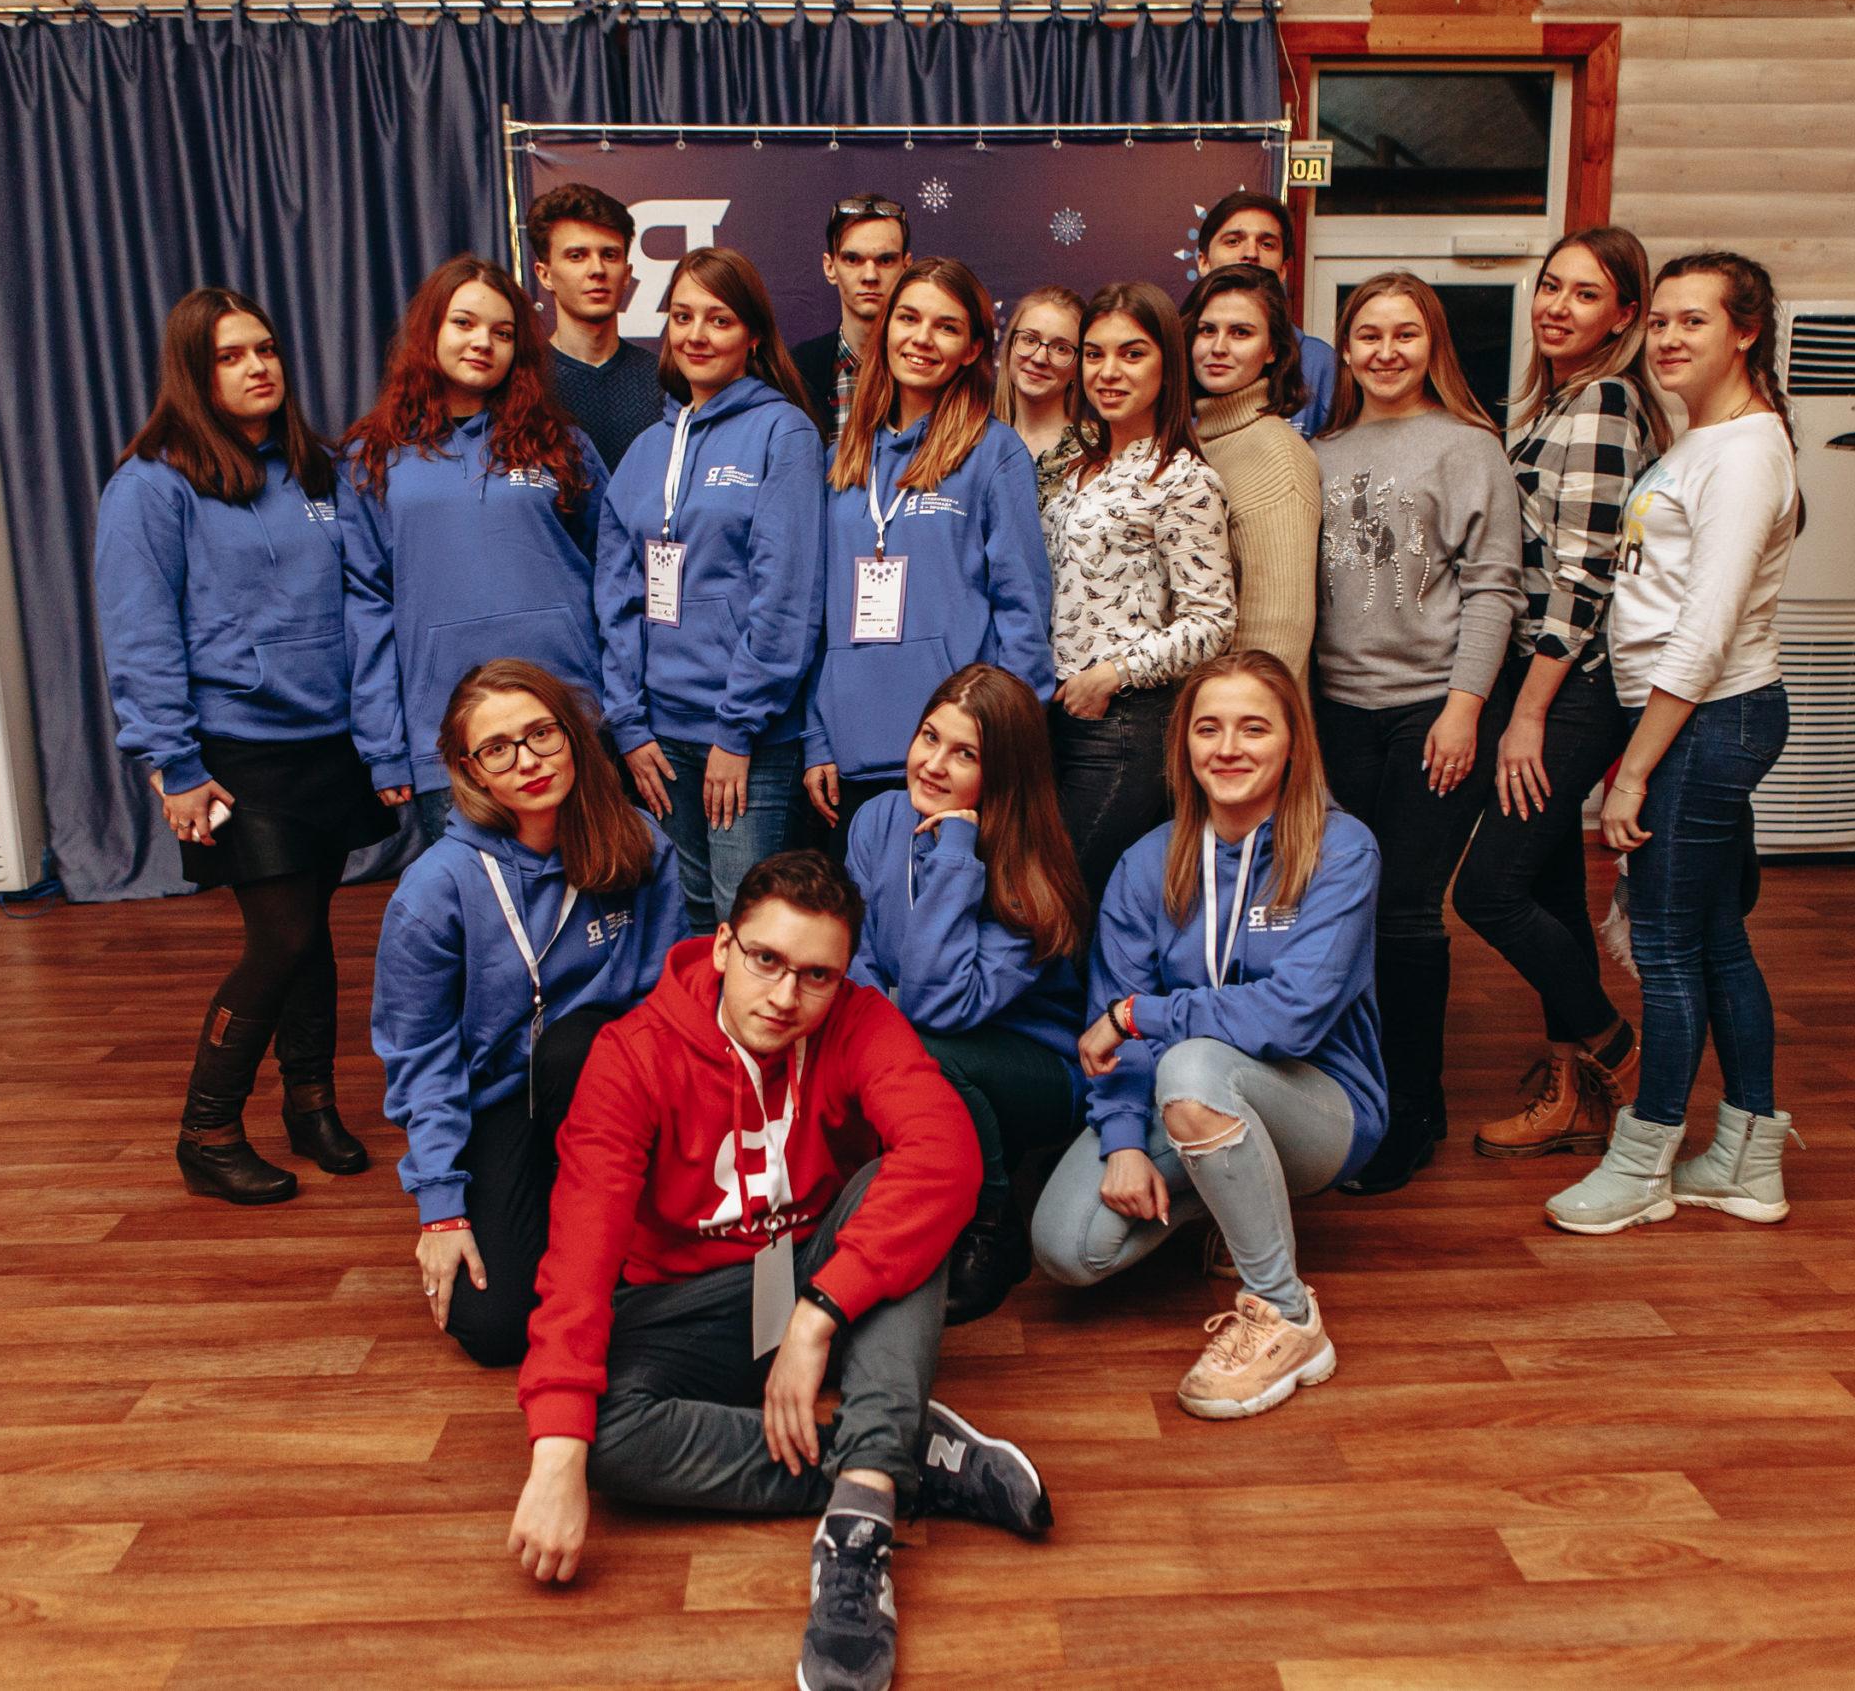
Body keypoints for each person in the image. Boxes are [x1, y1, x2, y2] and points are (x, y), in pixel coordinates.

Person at [507, 850, 1052, 1691]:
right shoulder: (632, 1055)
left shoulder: (859, 1020)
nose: (786, 995)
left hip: (802, 1268)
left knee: (901, 1188)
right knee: (594, 1438)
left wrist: (816, 1312)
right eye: (765, 959)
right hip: (687, 1300)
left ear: (842, 976)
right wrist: (554, 1460)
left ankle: (863, 1509)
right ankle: (906, 1454)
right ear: (724, 946)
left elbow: (946, 1153)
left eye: (816, 975)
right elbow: (577, 1259)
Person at [94, 286, 413, 1204]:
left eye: (265, 349)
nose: (256, 367)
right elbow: (140, 631)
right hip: (236, 750)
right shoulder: (152, 484)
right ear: (193, 373)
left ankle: (310, 1105)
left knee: (312, 933)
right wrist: (174, 764)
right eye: (230, 356)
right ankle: (206, 1128)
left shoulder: (319, 471)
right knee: (281, 937)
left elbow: (365, 601)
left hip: (327, 742)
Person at [1031, 650, 1386, 1419]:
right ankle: (1234, 1202)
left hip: (1321, 1105)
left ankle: (1287, 1315)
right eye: (1208, 728)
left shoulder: (1341, 849)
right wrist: (1123, 1138)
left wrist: (1144, 1016)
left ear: (1292, 741)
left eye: (1254, 728)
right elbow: (1111, 1014)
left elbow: (1289, 1014)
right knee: (1068, 1246)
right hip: (1182, 1098)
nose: (1228, 748)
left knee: (1192, 1065)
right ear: (1183, 744)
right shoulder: (1145, 862)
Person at [1546, 251, 1799, 1237]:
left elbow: (1704, 629)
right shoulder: (1707, 440)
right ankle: (1747, 1157)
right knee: (1712, 937)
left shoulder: (1744, 453)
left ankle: (1642, 1163)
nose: (1668, 338)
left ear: (1745, 331)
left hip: (1708, 718)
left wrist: (1633, 772)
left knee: (1662, 946)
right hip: (1696, 717)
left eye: (1695, 321)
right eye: (1659, 321)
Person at [373, 660, 686, 1364]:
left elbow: (667, 998)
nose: (527, 760)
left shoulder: (637, 843)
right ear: (471, 771)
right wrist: (441, 1207)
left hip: (614, 1092)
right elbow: (421, 1060)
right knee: (493, 1328)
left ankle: (627, 1230)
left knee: (580, 1043)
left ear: (571, 735)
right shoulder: (433, 890)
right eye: (497, 748)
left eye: (542, 733)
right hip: (500, 1101)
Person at [1308, 271, 1522, 1196]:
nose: (1386, 351)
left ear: (1433, 343)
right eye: (1369, 335)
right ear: (1345, 349)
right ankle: (1356, 1094)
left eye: (1405, 334)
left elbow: (1495, 586)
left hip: (1431, 710)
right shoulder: (1319, 452)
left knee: (1404, 907)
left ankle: (1412, 1111)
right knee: (1347, 907)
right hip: (1337, 712)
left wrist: (1464, 706)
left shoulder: (1470, 446)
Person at [1458, 227, 1668, 1161]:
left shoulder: (1604, 404)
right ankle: (1572, 1088)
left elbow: (1585, 578)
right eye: (1551, 286)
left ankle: (1622, 1057)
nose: (1557, 306)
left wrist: (1528, 714)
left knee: (1489, 889)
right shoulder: (1560, 401)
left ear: (1624, 316)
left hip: (1572, 685)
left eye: (1586, 294)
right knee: (1548, 884)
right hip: (1549, 678)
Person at [844, 666, 1090, 1325]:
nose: (933, 764)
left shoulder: (1030, 867)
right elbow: (852, 953)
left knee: (932, 1050)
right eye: (930, 737)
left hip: (1039, 1071)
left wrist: (956, 847)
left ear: (1003, 771)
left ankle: (993, 1225)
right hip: (914, 1039)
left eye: (965, 754)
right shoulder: (877, 819)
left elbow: (942, 1003)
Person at [344, 253, 609, 846]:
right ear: (430, 331)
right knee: (476, 898)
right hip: (448, 733)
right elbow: (365, 607)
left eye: (503, 332)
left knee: (588, 888)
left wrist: (618, 706)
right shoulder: (372, 458)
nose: (482, 342)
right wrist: (384, 745)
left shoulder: (562, 446)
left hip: (565, 723)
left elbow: (614, 580)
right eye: (463, 323)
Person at [596, 247, 824, 934]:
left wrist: (738, 727)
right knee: (689, 920)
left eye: (719, 319)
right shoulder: (645, 450)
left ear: (753, 335)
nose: (696, 335)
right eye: (682, 316)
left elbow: (786, 595)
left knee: (747, 921)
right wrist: (628, 724)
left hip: (747, 737)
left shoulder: (784, 431)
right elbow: (617, 598)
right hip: (659, 737)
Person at [804, 258, 1055, 858]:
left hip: (957, 761)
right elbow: (813, 617)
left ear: (973, 349)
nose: (921, 339)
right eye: (908, 319)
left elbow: (1023, 614)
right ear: (885, 328)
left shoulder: (994, 453)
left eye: (946, 327)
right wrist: (816, 737)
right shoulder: (839, 459)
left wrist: (1000, 749)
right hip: (847, 760)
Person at [1047, 281, 1236, 906]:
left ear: (1167, 364)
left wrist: (1112, 675)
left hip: (1125, 724)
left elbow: (1212, 621)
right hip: (1058, 717)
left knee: (1067, 899)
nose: (1108, 372)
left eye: (1131, 354)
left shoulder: (1184, 477)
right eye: (1093, 354)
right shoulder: (1077, 468)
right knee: (1056, 897)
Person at [1181, 262, 1322, 690]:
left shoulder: (1275, 452)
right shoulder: (1200, 441)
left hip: (1243, 715)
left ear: (1273, 349)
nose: (1218, 347)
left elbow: (1279, 633)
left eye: (1241, 333)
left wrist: (1238, 718)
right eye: (1207, 330)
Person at [528, 182, 670, 469]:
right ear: (545, 275)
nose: (597, 270)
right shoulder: (524, 380)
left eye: (609, 255)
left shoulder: (665, 380)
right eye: (576, 256)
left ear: (626, 274)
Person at [1194, 191, 1337, 438]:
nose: (1251, 253)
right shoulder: (1170, 355)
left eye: (1267, 244)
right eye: (1233, 241)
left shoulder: (1320, 363)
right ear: (1203, 262)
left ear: (1283, 270)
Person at [791, 194, 912, 445]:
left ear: (906, 267)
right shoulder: (797, 371)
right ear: (830, 267)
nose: (870, 276)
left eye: (885, 260)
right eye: (853, 260)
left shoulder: (927, 366)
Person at [994, 284, 1087, 508]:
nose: (1039, 358)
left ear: (1079, 366)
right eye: (1029, 339)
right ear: (1009, 347)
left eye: (1061, 348)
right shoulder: (974, 442)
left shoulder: (1094, 451)